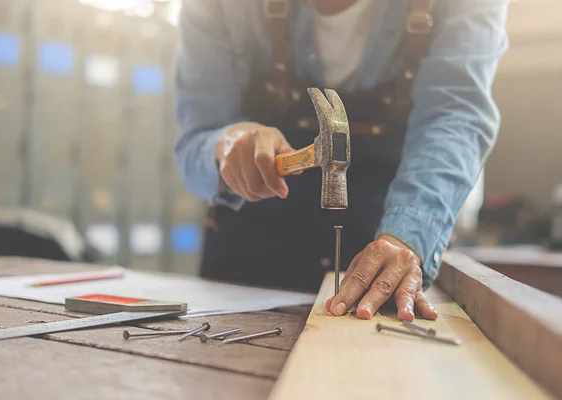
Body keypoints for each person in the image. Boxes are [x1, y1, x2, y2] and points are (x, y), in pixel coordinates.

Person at [174, 0, 509, 321]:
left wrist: (408, 234)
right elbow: (193, 145)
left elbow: (454, 115)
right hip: (244, 272)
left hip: (379, 252)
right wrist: (224, 145)